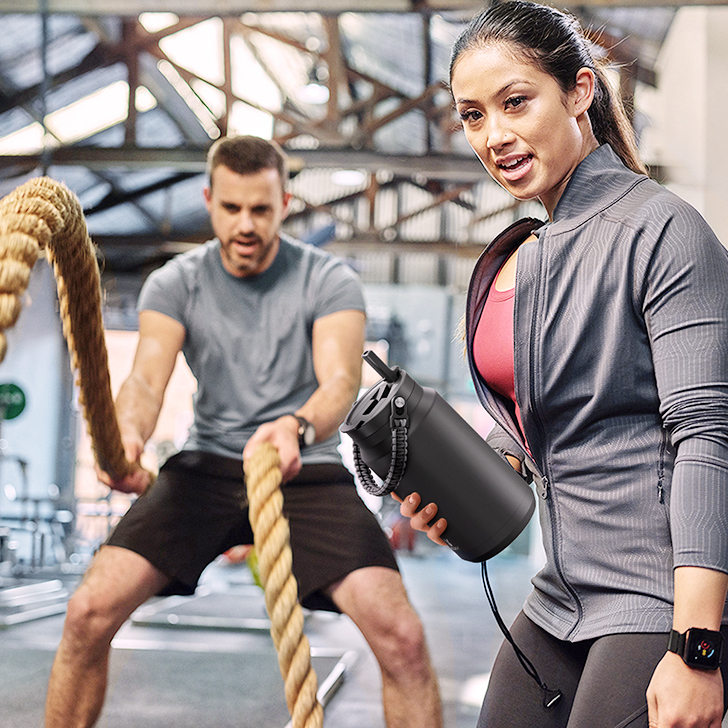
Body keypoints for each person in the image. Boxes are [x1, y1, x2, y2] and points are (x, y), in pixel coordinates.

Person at [397, 0, 728, 728]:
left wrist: (697, 648)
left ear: (581, 93)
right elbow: (534, 420)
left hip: (666, 590)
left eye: (516, 102)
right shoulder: (528, 254)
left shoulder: (663, 232)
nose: (495, 135)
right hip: (562, 593)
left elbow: (705, 442)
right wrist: (473, 486)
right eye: (473, 116)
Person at [44, 135, 443, 728]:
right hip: (205, 467)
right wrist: (127, 434)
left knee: (403, 638)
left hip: (306, 469)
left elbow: (338, 383)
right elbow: (147, 382)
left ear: (285, 202)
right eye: (231, 208)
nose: (246, 224)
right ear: (209, 200)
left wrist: (296, 426)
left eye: (261, 209)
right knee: (86, 614)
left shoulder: (327, 280)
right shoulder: (175, 282)